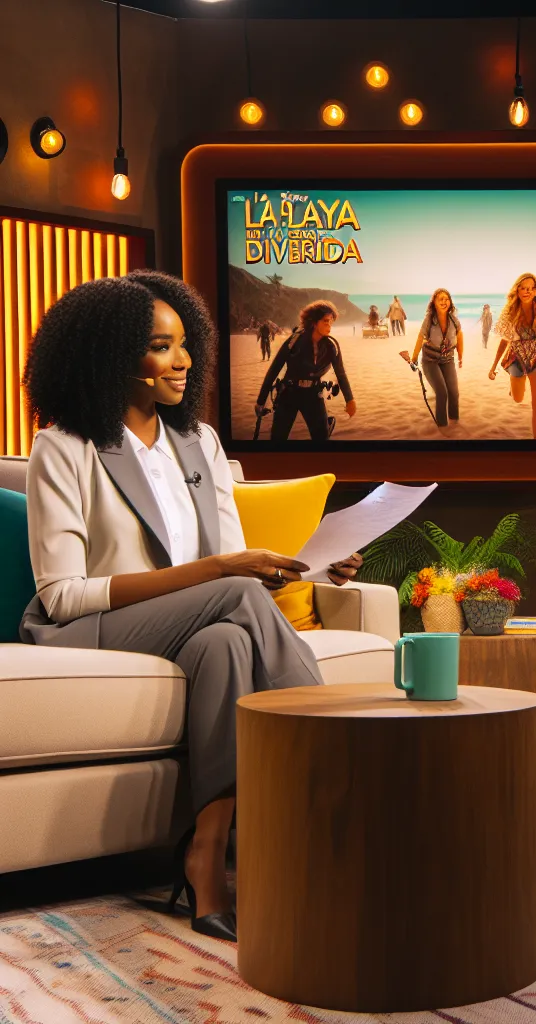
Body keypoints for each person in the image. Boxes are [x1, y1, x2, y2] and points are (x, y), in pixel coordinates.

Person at [20, 272, 366, 943]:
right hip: (90, 629)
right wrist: (214, 572)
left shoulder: (200, 444)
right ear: (110, 355)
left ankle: (206, 860)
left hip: (199, 624)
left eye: (185, 345)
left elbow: (237, 575)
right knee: (231, 597)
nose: (182, 361)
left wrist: (313, 568)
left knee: (227, 644)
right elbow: (60, 598)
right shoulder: (62, 448)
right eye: (159, 346)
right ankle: (343, 771)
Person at [255, 301, 356, 442]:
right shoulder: (295, 341)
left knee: (321, 439)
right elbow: (274, 369)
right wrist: (260, 401)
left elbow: (340, 373)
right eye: (325, 321)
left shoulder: (331, 346)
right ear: (314, 322)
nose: (329, 326)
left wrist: (350, 400)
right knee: (278, 438)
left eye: (331, 322)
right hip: (289, 393)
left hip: (314, 395)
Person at [488, 273, 536, 441]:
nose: (527, 292)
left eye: (531, 288)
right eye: (523, 288)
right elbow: (504, 341)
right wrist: (493, 366)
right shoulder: (510, 311)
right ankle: (515, 386)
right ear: (517, 290)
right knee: (518, 398)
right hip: (516, 357)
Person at [408, 288, 464, 432]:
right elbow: (420, 338)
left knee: (454, 392)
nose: (444, 302)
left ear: (450, 302)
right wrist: (413, 359)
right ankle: (442, 426)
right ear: (434, 302)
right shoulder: (429, 319)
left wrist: (461, 356)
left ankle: (454, 421)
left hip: (447, 359)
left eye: (447, 299)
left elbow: (460, 337)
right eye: (441, 299)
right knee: (442, 392)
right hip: (430, 360)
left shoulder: (454, 320)